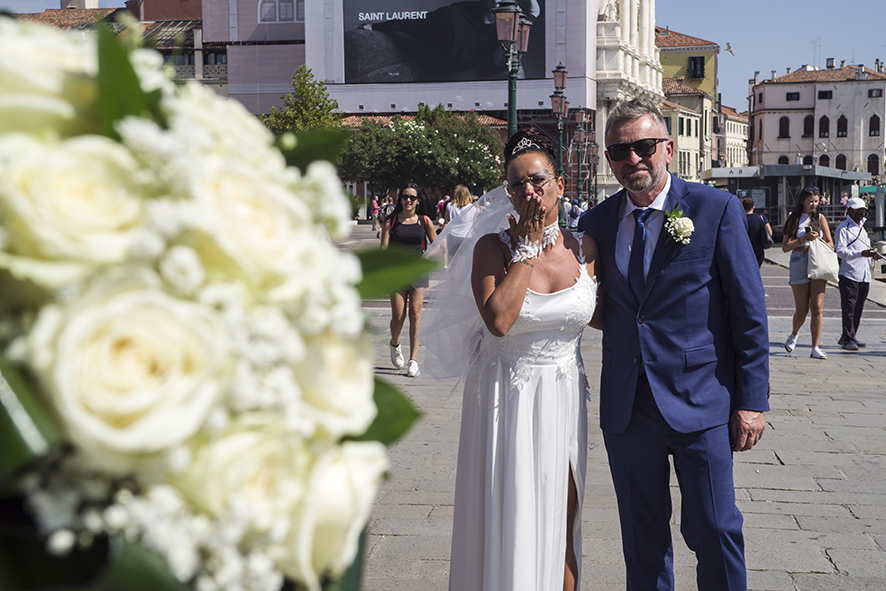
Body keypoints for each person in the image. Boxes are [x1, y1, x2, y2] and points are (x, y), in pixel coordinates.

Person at [578, 98, 769, 591]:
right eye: (619, 150)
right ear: (608, 158)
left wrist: (751, 402)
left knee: (714, 527)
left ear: (667, 148)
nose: (632, 159)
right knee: (642, 539)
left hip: (700, 400)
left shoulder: (714, 209)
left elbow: (748, 313)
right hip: (628, 405)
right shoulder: (596, 223)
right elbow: (594, 303)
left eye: (643, 146)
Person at [423, 128, 599, 591]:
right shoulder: (493, 249)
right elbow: (499, 320)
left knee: (565, 516)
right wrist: (526, 247)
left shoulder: (585, 250)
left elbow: (604, 314)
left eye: (538, 180)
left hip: (564, 395)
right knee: (516, 512)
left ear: (560, 184)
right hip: (508, 399)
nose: (528, 191)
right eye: (516, 184)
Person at [380, 183, 437, 377]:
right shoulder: (391, 221)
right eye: (405, 196)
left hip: (418, 271)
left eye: (412, 197)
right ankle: (395, 343)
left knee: (415, 312)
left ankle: (413, 360)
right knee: (398, 315)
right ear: (400, 199)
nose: (408, 200)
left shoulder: (424, 221)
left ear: (418, 200)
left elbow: (436, 244)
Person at [781, 186, 833, 359]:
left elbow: (830, 243)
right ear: (802, 201)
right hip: (798, 260)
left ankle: (815, 347)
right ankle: (794, 334)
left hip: (817, 261)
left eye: (816, 201)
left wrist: (818, 241)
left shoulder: (820, 218)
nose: (814, 204)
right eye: (810, 201)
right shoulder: (793, 218)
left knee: (817, 307)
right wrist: (804, 238)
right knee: (802, 309)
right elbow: (785, 247)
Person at [834, 197, 881, 350]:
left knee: (859, 306)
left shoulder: (863, 227)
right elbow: (840, 252)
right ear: (850, 211)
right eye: (858, 210)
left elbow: (864, 248)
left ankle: (851, 334)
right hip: (849, 273)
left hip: (864, 273)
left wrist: (873, 254)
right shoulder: (843, 228)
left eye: (863, 210)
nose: (862, 213)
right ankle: (847, 338)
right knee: (849, 307)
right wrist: (862, 253)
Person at [741, 196, 773, 267]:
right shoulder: (761, 217)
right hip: (758, 250)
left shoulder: (741, 219)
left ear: (742, 207)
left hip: (745, 250)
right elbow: (770, 232)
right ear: (753, 206)